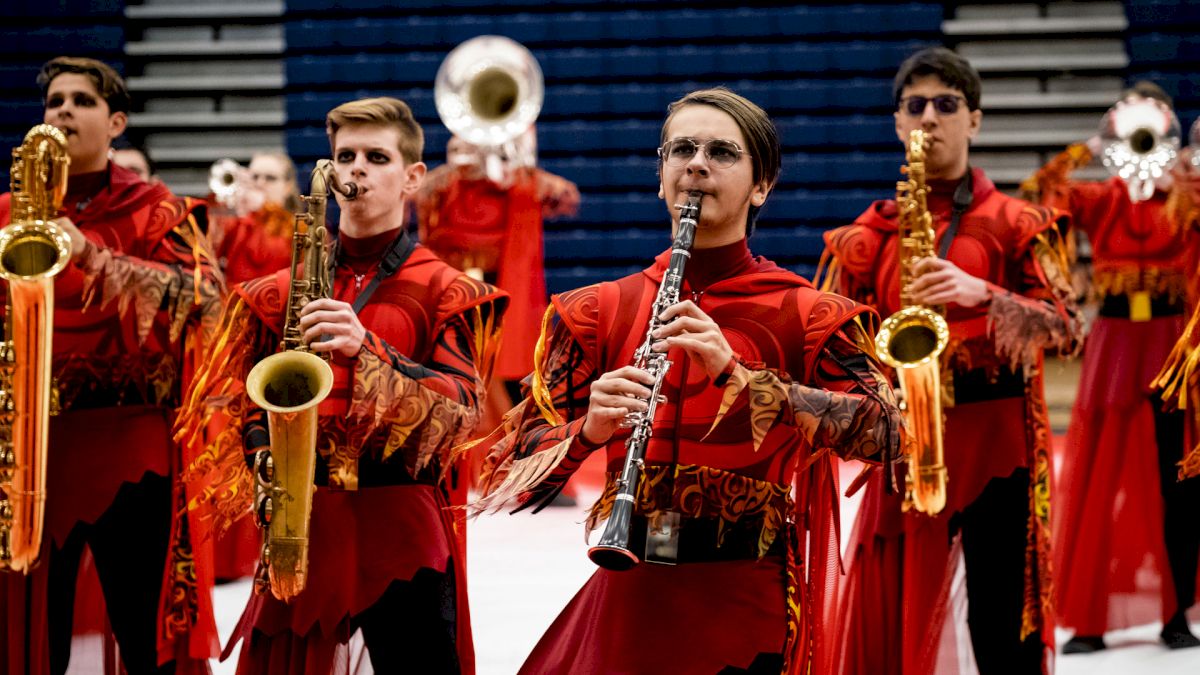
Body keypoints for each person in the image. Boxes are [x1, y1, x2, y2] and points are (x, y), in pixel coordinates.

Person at [470, 86, 904, 675]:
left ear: (761, 186)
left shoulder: (809, 312)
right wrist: (588, 431)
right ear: (661, 177)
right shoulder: (596, 310)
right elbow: (506, 472)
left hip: (747, 608)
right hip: (628, 597)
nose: (697, 162)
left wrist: (744, 380)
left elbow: (888, 434)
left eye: (722, 152)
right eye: (682, 150)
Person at [176, 96, 508, 674]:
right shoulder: (277, 291)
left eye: (376, 156)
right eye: (344, 155)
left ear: (413, 176)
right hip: (301, 522)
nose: (355, 169)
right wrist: (263, 463)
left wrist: (369, 350)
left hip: (401, 530)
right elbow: (244, 402)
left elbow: (464, 410)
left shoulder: (449, 288)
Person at [820, 47, 1082, 675]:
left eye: (946, 105)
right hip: (907, 447)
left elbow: (1070, 332)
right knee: (895, 616)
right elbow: (834, 351)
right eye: (915, 106)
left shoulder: (1022, 222)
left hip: (999, 446)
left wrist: (983, 295)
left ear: (976, 120)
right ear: (896, 124)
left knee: (1001, 624)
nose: (929, 119)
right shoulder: (866, 237)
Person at [0, 56, 223, 675]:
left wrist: (94, 256)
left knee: (141, 624)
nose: (64, 110)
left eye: (82, 100)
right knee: (30, 639)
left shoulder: (161, 211)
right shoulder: (5, 212)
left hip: (134, 447)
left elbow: (207, 301)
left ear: (116, 121)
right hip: (32, 450)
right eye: (54, 102)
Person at [1028, 82, 1200, 652]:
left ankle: (1176, 614)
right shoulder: (1101, 197)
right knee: (1098, 476)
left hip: (1173, 340)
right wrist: (1093, 145)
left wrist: (1181, 165)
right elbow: (1036, 196)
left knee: (1179, 481)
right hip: (1117, 342)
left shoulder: (1185, 196)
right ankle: (1091, 619)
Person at [209, 151, 304, 286]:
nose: (260, 183)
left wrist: (263, 208)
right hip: (233, 304)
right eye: (254, 177)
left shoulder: (302, 226)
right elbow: (209, 253)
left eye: (270, 178)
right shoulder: (239, 221)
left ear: (288, 186)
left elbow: (267, 256)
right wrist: (228, 209)